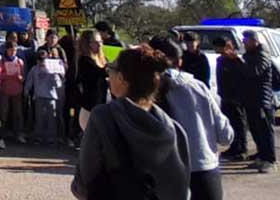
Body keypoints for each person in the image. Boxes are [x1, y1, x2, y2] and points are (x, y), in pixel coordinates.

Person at [71, 45, 191, 200]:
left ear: (121, 78)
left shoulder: (103, 118)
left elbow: (83, 183)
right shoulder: (174, 129)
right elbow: (181, 189)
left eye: (111, 69)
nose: (108, 75)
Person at [151, 37, 233, 200]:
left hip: (165, 175)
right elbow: (225, 135)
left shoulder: (145, 93)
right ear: (180, 61)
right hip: (204, 170)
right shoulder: (198, 87)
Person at [228, 30, 278, 173]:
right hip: (250, 98)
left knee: (265, 130)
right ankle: (261, 156)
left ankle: (270, 160)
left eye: (246, 41)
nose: (244, 43)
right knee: (255, 130)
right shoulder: (248, 55)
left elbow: (254, 72)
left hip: (262, 99)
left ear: (254, 41)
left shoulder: (262, 55)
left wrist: (237, 60)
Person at [214, 37, 248, 161]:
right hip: (225, 95)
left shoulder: (236, 60)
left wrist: (236, 59)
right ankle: (233, 147)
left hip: (236, 96)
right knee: (230, 123)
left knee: (239, 124)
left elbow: (243, 75)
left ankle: (242, 149)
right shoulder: (220, 60)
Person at [25, 48, 65, 145]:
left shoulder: (52, 69)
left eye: (43, 59)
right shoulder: (34, 69)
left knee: (51, 118)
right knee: (39, 118)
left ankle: (51, 137)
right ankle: (39, 137)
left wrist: (55, 75)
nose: (41, 62)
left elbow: (58, 84)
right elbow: (29, 81)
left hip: (51, 97)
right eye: (39, 59)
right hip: (39, 96)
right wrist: (26, 90)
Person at [75, 29, 109, 133]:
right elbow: (100, 73)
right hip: (90, 107)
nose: (100, 45)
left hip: (103, 104)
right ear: (87, 44)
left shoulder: (103, 59)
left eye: (101, 42)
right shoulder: (85, 60)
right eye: (96, 42)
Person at [0, 43, 27, 142]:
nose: (13, 52)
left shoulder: (19, 62)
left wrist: (19, 78)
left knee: (18, 114)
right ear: (7, 50)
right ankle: (1, 134)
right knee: (3, 113)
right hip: (5, 90)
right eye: (11, 50)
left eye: (15, 50)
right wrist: (7, 75)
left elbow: (23, 77)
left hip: (17, 90)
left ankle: (18, 134)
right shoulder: (2, 61)